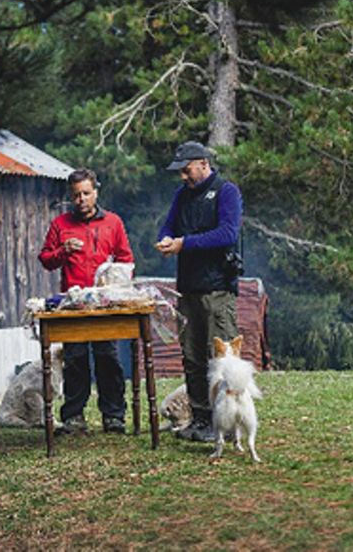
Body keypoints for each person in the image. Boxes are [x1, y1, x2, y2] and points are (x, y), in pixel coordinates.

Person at [155, 141, 243, 443]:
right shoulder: (182, 195)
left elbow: (227, 233)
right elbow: (167, 226)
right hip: (188, 289)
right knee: (192, 358)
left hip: (218, 288)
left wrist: (185, 244)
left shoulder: (226, 191)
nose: (182, 176)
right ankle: (201, 418)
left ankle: (228, 422)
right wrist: (166, 240)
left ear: (203, 163)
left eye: (186, 169)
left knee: (219, 357)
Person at [38, 168, 134, 434]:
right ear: (71, 196)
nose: (81, 199)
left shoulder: (113, 222)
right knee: (75, 359)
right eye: (76, 195)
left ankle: (114, 416)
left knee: (108, 358)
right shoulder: (61, 225)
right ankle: (74, 417)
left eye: (86, 194)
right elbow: (45, 260)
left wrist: (115, 280)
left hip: (105, 301)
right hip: (74, 302)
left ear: (96, 192)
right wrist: (62, 251)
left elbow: (126, 259)